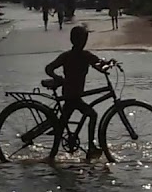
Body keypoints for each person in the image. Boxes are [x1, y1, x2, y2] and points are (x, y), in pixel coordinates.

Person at [44, 26, 111, 160]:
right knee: (92, 115)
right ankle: (91, 146)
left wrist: (106, 65)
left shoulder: (68, 56)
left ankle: (53, 154)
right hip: (72, 96)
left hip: (71, 94)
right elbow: (99, 65)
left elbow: (49, 68)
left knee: (62, 124)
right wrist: (107, 65)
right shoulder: (84, 56)